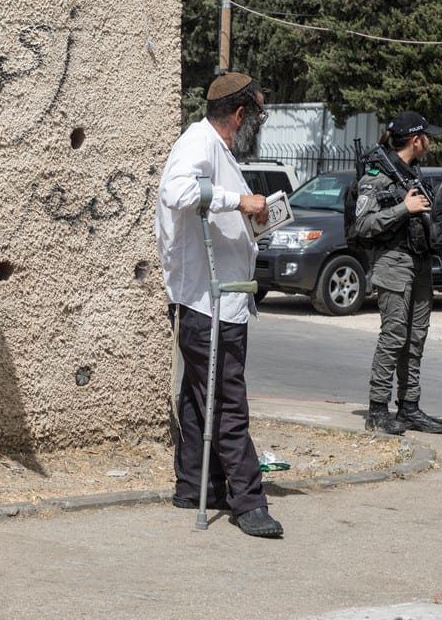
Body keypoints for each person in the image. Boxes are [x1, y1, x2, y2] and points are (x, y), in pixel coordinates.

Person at [155, 72, 282, 539]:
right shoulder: (199, 142)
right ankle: (249, 500)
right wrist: (239, 201)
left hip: (218, 301)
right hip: (206, 301)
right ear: (241, 115)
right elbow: (178, 192)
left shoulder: (218, 149)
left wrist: (252, 215)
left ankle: (195, 484)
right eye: (258, 117)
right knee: (227, 402)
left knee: (197, 396)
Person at [351, 111, 442, 437]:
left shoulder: (412, 172)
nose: (431, 141)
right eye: (427, 136)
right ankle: (378, 409)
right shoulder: (378, 176)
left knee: (415, 338)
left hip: (419, 263)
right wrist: (402, 209)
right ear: (416, 139)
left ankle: (409, 407)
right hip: (393, 262)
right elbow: (362, 224)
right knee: (393, 337)